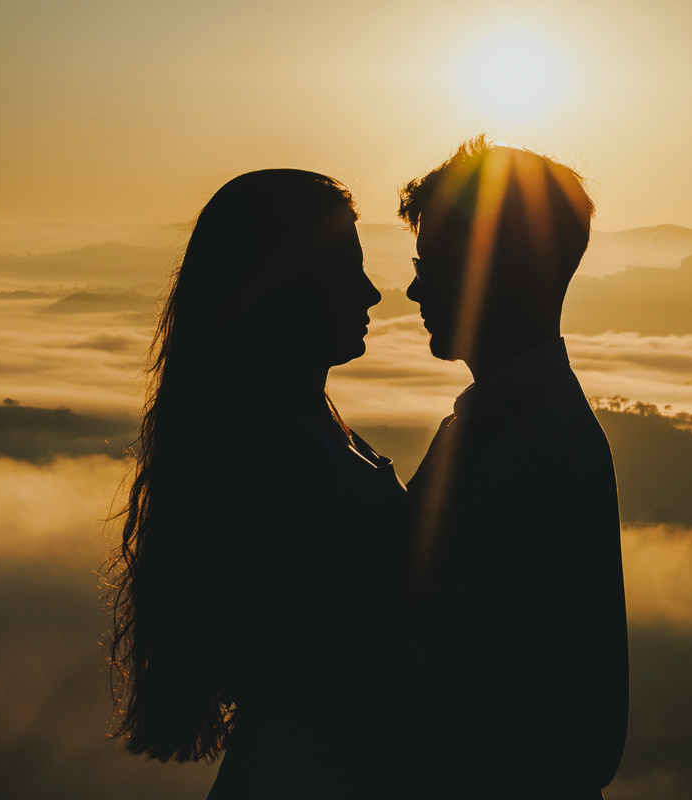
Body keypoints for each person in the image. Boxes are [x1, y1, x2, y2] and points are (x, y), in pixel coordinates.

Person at [108, 169, 405, 799]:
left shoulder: (297, 428)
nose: (373, 294)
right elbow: (324, 656)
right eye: (347, 270)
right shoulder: (276, 451)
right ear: (287, 286)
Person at [398, 137, 628, 799]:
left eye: (433, 263)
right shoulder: (527, 426)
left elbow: (463, 689)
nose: (413, 287)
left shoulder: (532, 444)